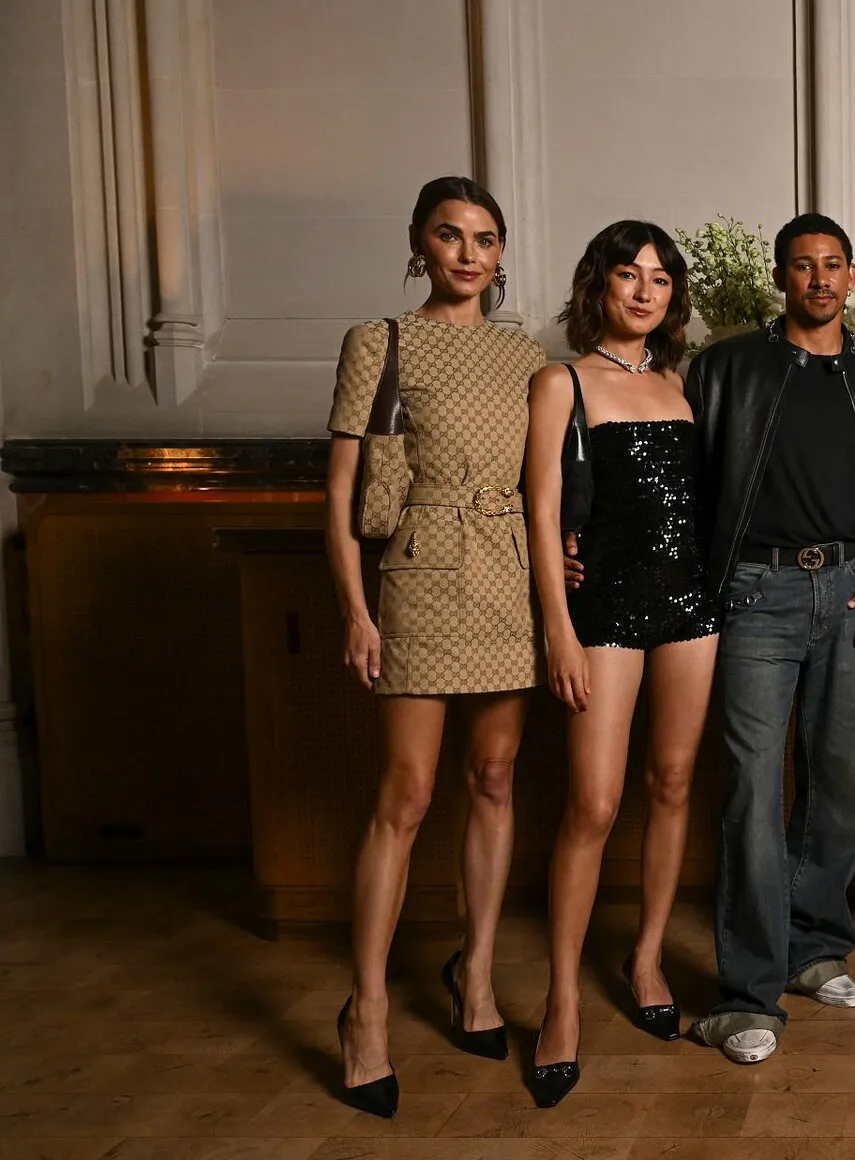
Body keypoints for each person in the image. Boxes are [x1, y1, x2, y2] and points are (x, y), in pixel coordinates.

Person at [323, 175, 548, 1118]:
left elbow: (546, 487)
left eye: (485, 239)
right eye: (450, 235)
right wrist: (356, 612)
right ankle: (367, 1011)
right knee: (408, 793)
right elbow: (341, 493)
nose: (468, 253)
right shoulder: (378, 341)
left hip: (509, 573)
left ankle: (478, 975)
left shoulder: (528, 355)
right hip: (418, 574)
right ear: (420, 243)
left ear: (500, 254)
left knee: (493, 778)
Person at [679, 213, 855, 1065]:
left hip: (851, 592)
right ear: (780, 277)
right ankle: (748, 992)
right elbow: (687, 485)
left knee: (841, 785)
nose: (819, 278)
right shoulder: (727, 367)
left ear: (852, 275)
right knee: (750, 787)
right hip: (756, 594)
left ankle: (815, 950)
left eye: (833, 264)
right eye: (803, 265)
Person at [522, 221, 719, 1107]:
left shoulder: (685, 384)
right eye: (628, 275)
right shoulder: (560, 382)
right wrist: (557, 630)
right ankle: (561, 1002)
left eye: (660, 278)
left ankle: (645, 960)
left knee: (672, 783)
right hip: (602, 608)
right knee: (594, 805)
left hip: (691, 606)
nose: (644, 291)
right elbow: (541, 512)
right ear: (597, 285)